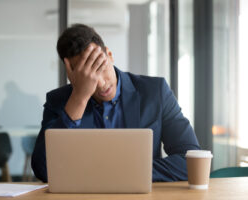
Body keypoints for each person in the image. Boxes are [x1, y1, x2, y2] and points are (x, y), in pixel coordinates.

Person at [31, 24, 200, 182]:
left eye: (100, 67)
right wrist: (79, 98)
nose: (101, 83)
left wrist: (122, 172)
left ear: (109, 55)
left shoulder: (155, 92)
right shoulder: (59, 101)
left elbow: (191, 160)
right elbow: (43, 170)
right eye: (88, 75)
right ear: (73, 76)